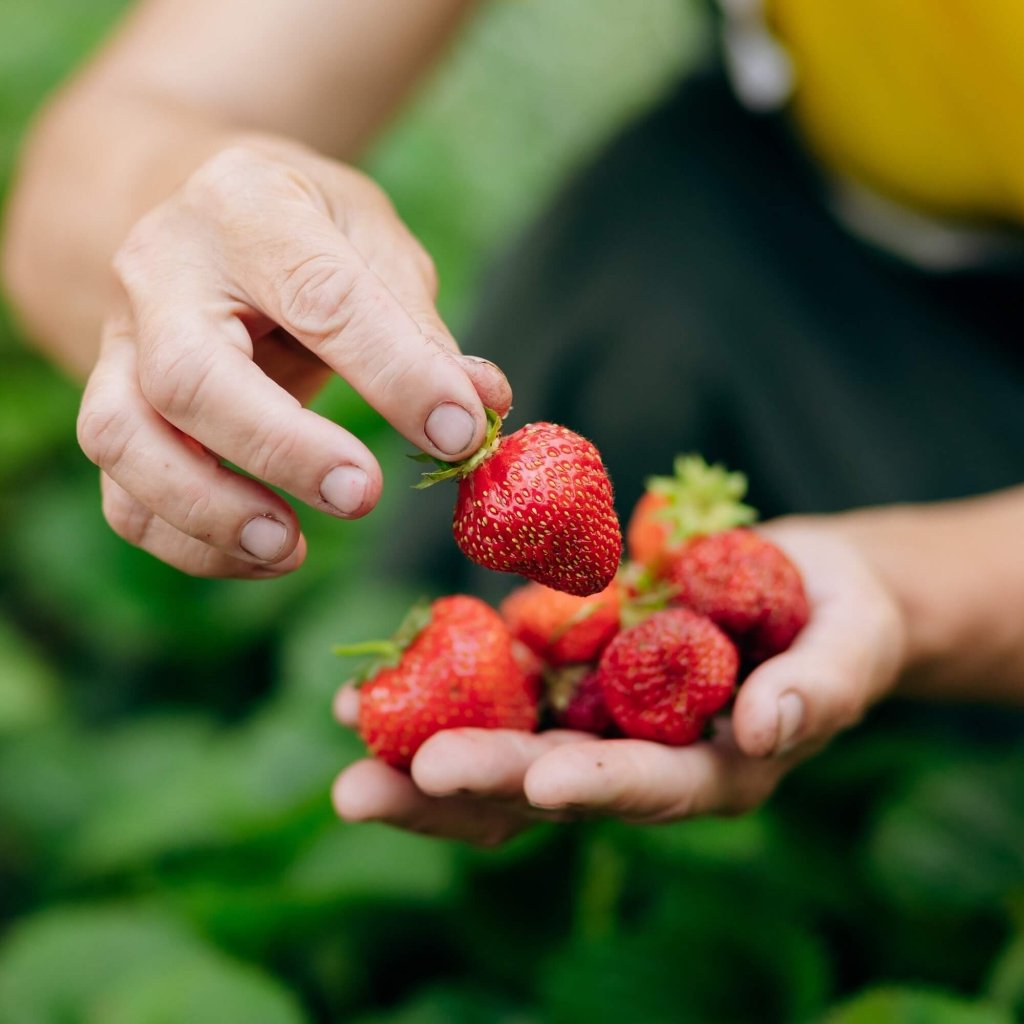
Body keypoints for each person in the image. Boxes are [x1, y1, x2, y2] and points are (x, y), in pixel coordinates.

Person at [3, 0, 1024, 847]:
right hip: (789, 229)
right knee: (641, 272)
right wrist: (192, 209)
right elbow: (103, 150)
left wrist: (911, 589)